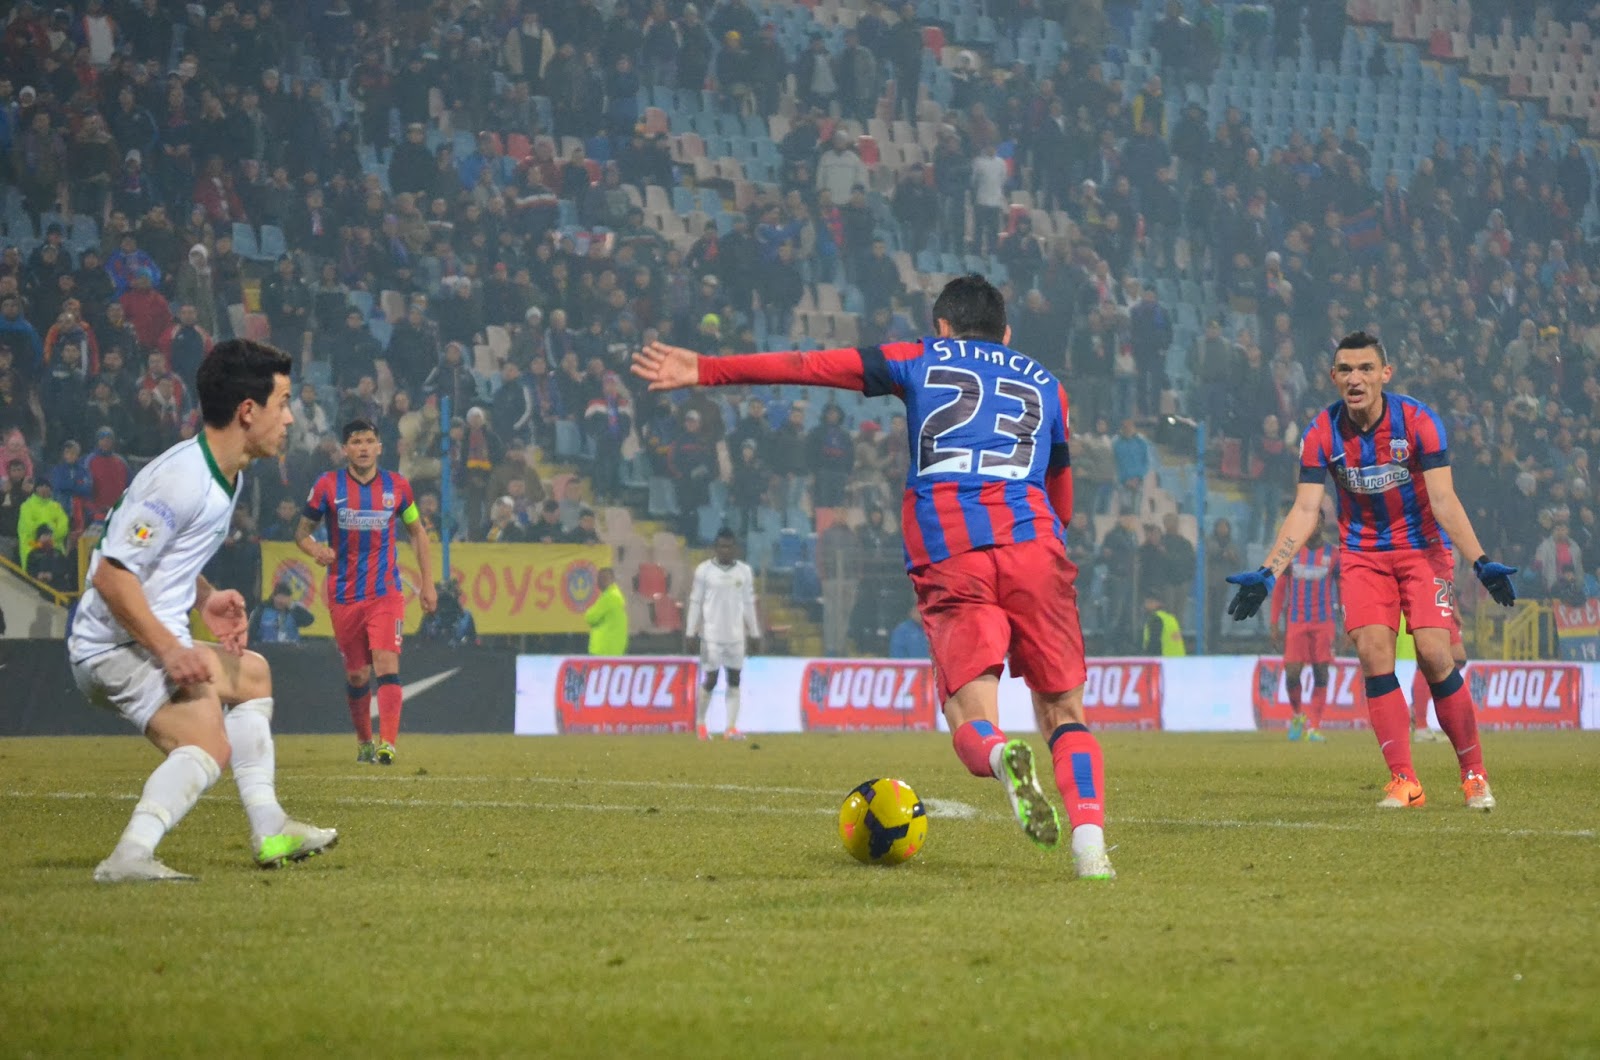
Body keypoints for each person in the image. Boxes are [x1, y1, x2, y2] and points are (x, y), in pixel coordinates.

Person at [634, 274, 1114, 879]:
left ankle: (999, 757)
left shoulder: (920, 357)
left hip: (952, 547)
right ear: (1007, 333)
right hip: (1035, 547)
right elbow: (1062, 498)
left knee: (970, 714)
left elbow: (810, 366)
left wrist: (708, 370)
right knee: (1065, 711)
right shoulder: (1048, 385)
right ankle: (1091, 850)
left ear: (942, 327)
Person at [67, 339, 337, 883]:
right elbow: (111, 575)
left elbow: (158, 559)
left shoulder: (225, 473)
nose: (289, 418)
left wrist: (207, 596)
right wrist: (170, 649)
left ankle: (271, 829)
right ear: (248, 410)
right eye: (283, 403)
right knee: (207, 742)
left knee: (252, 675)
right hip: (113, 648)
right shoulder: (184, 479)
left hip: (140, 639)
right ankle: (129, 857)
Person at [1226, 331, 1518, 812]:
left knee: (1435, 655)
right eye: (1345, 369)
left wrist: (1481, 561)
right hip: (1362, 556)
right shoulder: (1321, 432)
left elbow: (1443, 499)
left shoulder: (1419, 422)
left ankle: (1474, 775)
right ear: (1333, 377)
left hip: (1422, 549)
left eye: (1365, 368)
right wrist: (1269, 571)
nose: (1355, 378)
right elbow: (1306, 509)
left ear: (1386, 373)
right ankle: (1405, 781)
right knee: (1372, 653)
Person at [297, 418, 438, 766]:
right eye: (356, 442)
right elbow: (301, 532)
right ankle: (364, 742)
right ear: (345, 449)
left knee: (387, 663)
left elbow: (417, 532)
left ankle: (387, 744)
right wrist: (316, 550)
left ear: (379, 447)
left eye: (369, 441)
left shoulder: (398, 486)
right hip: (343, 594)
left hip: (385, 592)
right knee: (357, 674)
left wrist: (428, 582)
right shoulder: (327, 485)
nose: (363, 448)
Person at [685, 528, 762, 741]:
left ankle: (731, 728)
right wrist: (690, 632)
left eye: (729, 547)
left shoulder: (744, 571)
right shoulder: (704, 571)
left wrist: (754, 633)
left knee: (734, 679)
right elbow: (695, 602)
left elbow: (748, 603)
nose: (725, 550)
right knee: (711, 679)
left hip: (736, 636)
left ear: (735, 548)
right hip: (711, 636)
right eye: (721, 547)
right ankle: (701, 723)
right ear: (715, 548)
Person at [1268, 515, 1339, 743]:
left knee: (1321, 673)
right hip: (1296, 622)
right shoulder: (1291, 552)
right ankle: (1298, 715)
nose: (1313, 526)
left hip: (1323, 622)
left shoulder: (1334, 554)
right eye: (1310, 522)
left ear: (1322, 525)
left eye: (1317, 522)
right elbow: (1280, 589)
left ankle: (1314, 727)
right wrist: (1274, 622)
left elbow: (1343, 589)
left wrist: (1347, 623)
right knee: (1291, 674)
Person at [251, 582, 315, 644]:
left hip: (290, 648)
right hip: (266, 647)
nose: (281, 601)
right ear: (274, 597)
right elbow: (252, 631)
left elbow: (309, 620)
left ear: (289, 599)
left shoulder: (294, 612)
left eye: (284, 598)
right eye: (279, 597)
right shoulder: (262, 609)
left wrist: (294, 608)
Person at [584, 567, 628, 656]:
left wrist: (589, 613)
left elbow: (590, 617)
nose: (601, 581)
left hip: (604, 649)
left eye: (605, 578)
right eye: (600, 578)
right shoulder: (615, 595)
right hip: (612, 648)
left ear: (613, 580)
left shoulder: (609, 597)